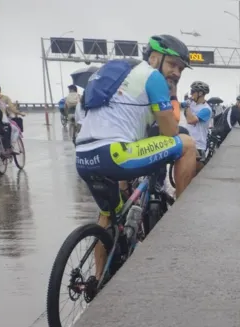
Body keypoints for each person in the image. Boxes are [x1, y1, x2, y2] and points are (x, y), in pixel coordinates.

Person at [75, 34, 197, 281]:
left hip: (83, 157)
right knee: (186, 143)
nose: (176, 72)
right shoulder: (152, 77)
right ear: (154, 57)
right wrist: (171, 98)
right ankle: (184, 215)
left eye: (181, 68)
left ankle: (97, 280)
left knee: (108, 215)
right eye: (172, 64)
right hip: (114, 155)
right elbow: (169, 132)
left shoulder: (112, 74)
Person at [183, 81, 213, 172]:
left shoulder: (206, 109)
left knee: (193, 174)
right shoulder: (192, 104)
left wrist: (187, 106)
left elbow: (191, 120)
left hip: (198, 146)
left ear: (200, 93)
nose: (191, 94)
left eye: (193, 92)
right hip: (188, 142)